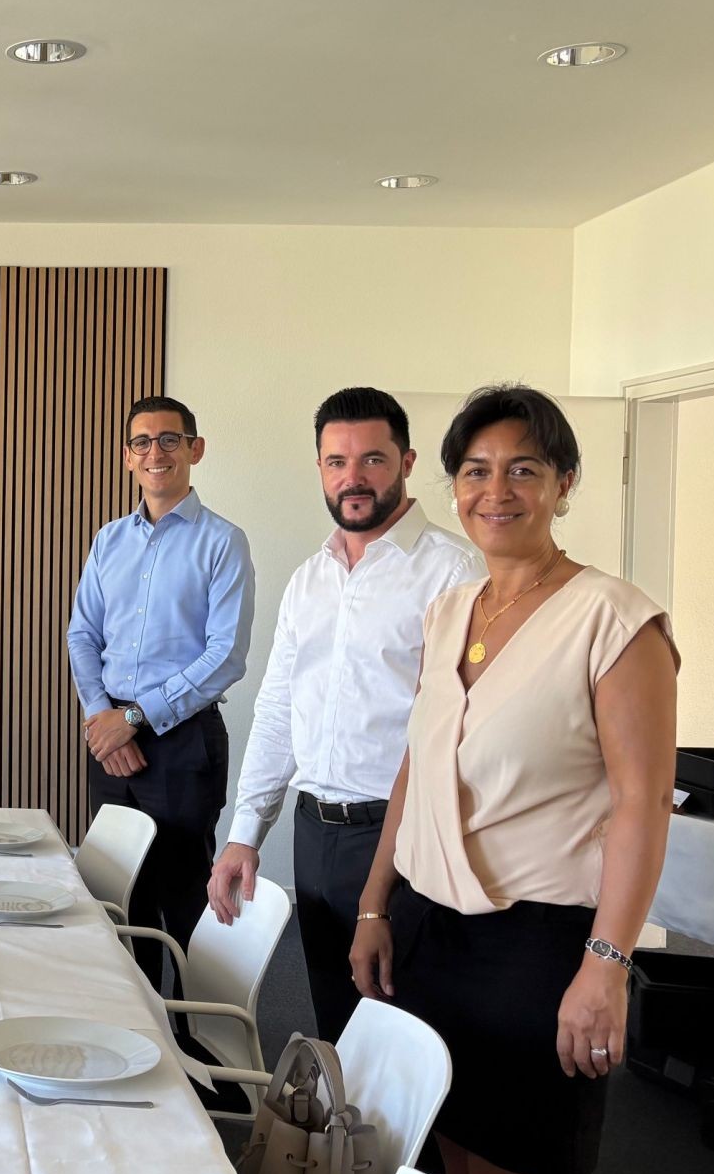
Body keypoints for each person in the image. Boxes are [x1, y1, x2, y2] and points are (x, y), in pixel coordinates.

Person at [349, 385, 677, 1174]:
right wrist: (376, 904)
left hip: (536, 952)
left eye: (523, 470)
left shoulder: (615, 621)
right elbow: (417, 767)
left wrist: (606, 964)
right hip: (431, 936)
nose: (497, 491)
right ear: (453, 486)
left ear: (564, 484)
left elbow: (644, 805)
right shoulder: (451, 611)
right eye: (476, 471)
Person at [208, 388, 481, 1042]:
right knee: (334, 1022)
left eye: (372, 460)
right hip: (314, 833)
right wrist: (246, 833)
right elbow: (279, 708)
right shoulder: (311, 577)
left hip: (403, 837)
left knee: (399, 1030)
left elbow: (457, 732)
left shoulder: (454, 573)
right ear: (320, 469)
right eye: (336, 462)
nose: (352, 478)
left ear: (407, 462)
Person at [67, 394, 255, 986]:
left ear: (195, 449)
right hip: (109, 737)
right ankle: (136, 1024)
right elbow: (82, 634)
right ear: (128, 457)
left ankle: (199, 1035)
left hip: (182, 742)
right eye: (142, 442)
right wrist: (103, 717)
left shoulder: (223, 541)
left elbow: (225, 656)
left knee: (184, 900)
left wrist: (135, 719)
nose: (156, 452)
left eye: (170, 439)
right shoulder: (108, 541)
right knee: (119, 898)